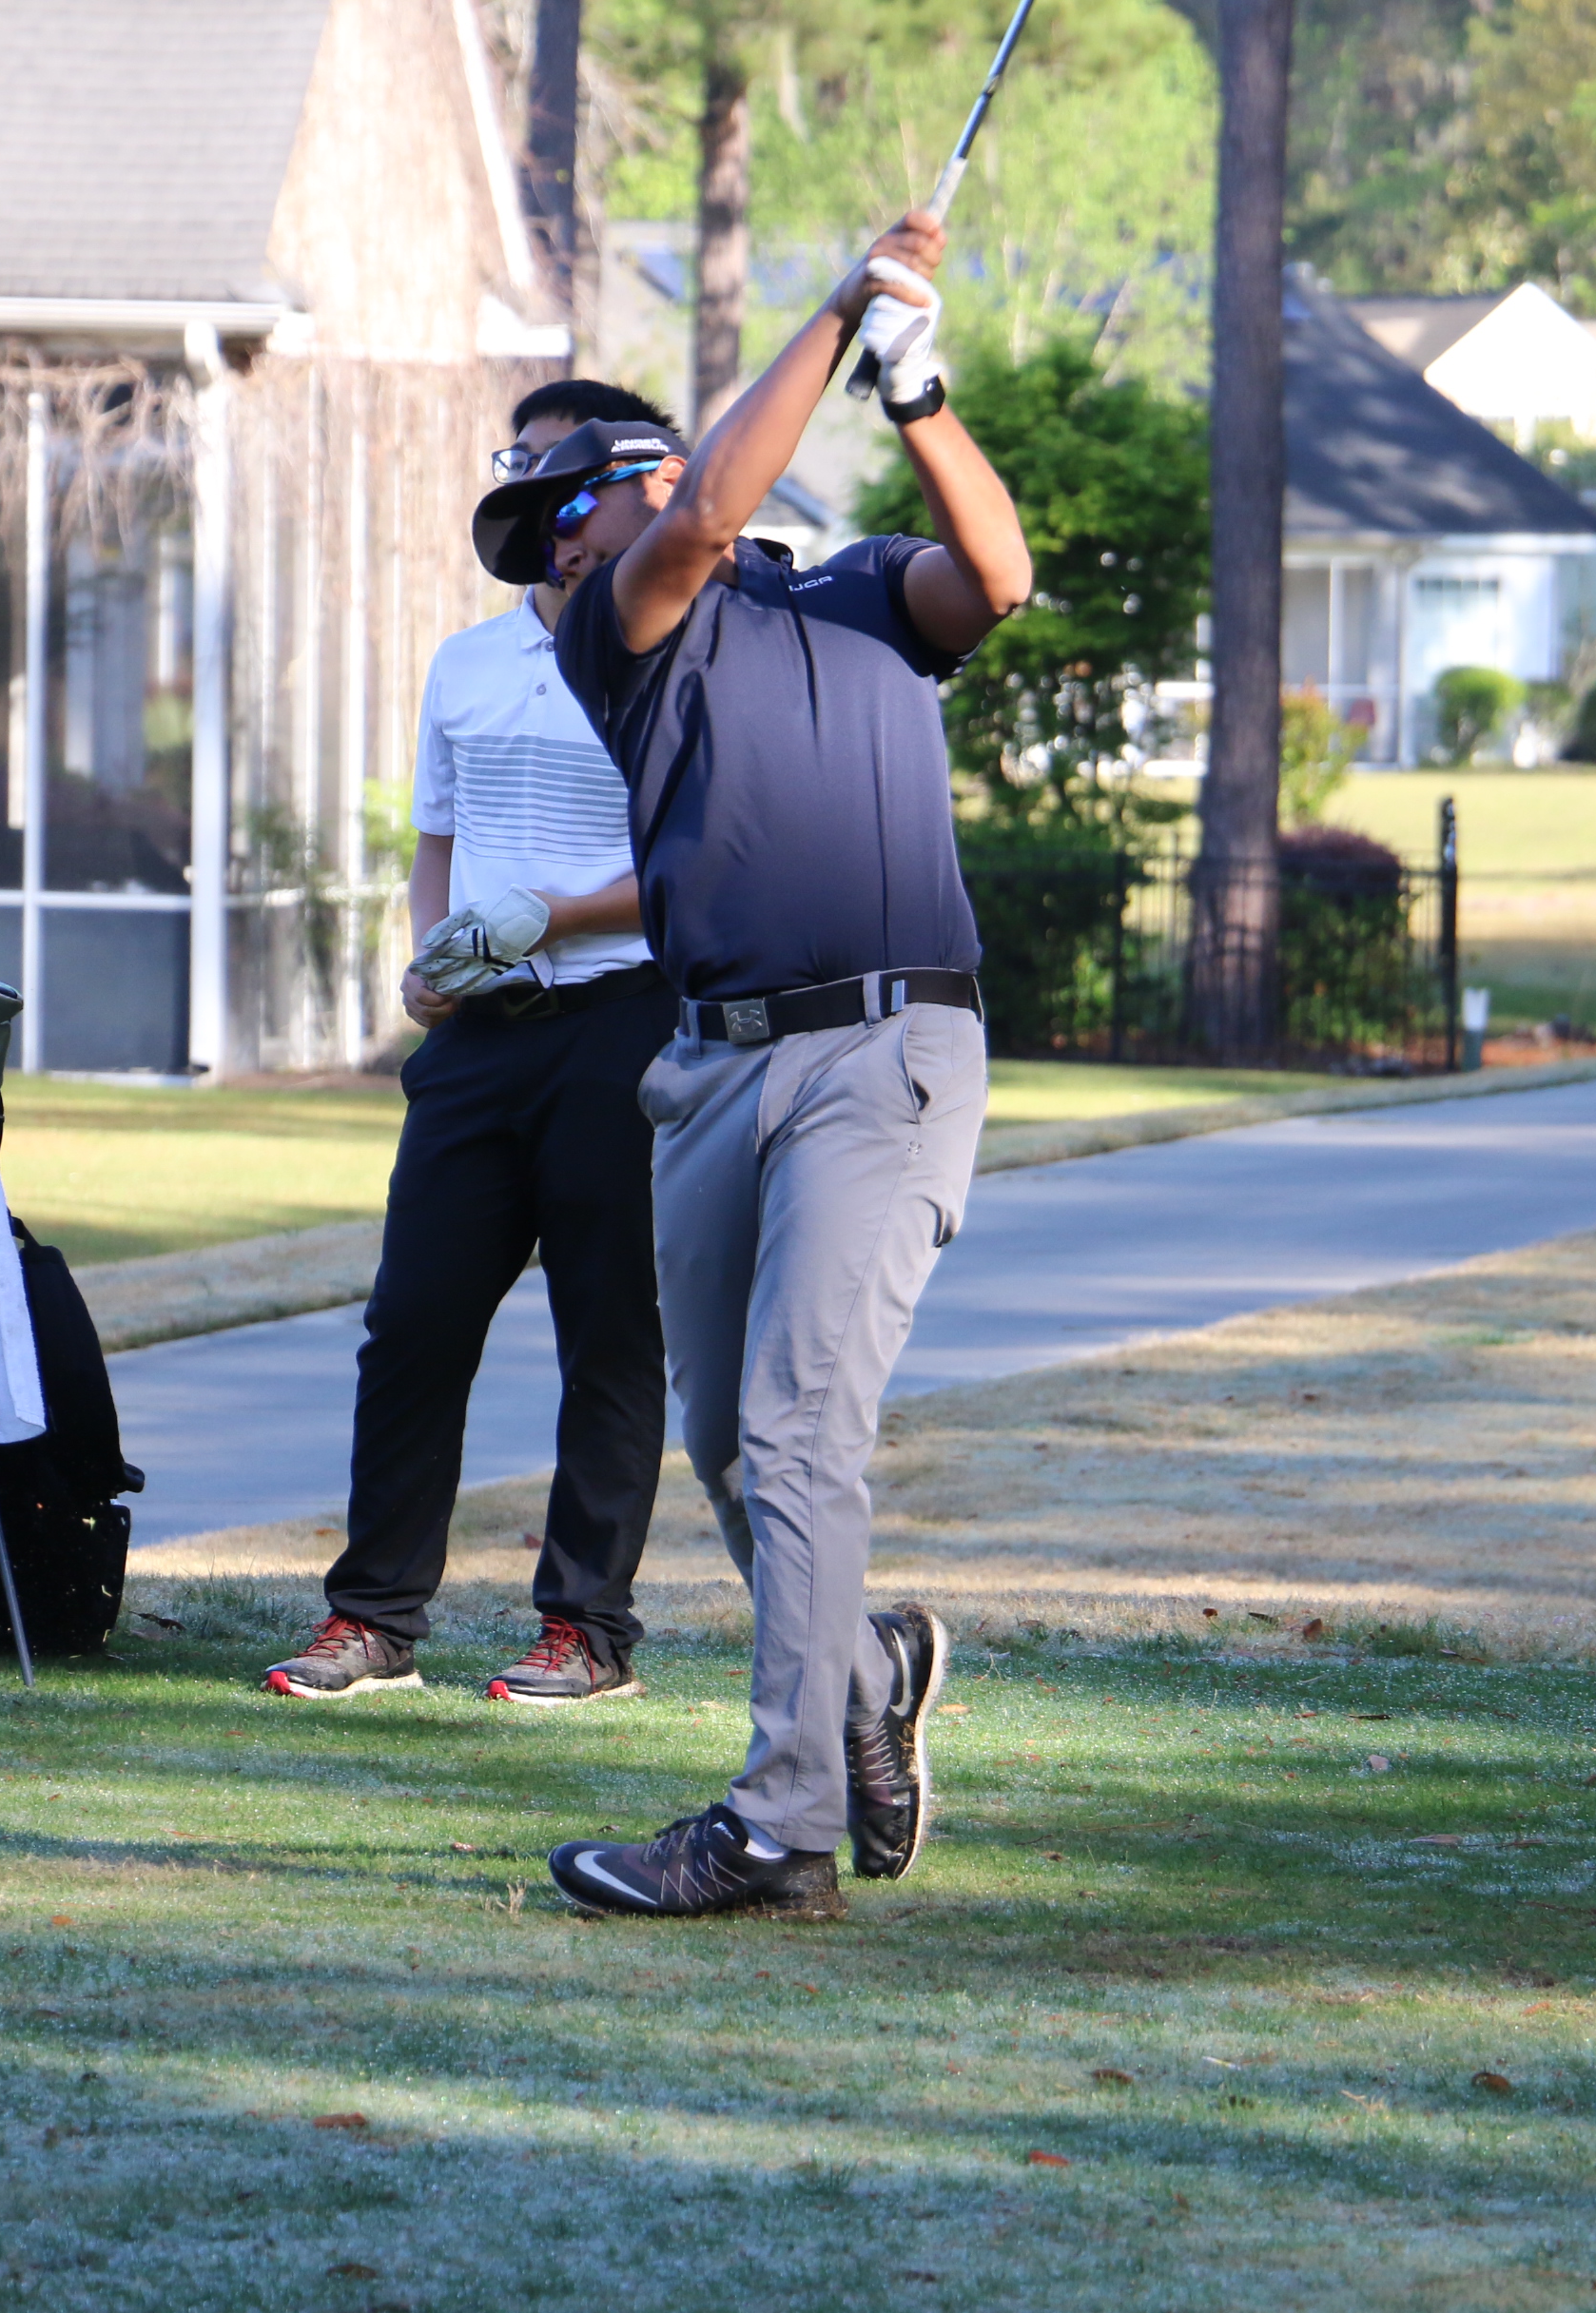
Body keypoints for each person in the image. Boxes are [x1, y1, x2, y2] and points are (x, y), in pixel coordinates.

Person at [477, 213, 1031, 1916]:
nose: (549, 556)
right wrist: (841, 307)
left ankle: (783, 1826)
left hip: (886, 1052)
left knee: (795, 1433)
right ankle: (866, 1669)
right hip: (713, 1076)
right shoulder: (618, 634)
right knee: (728, 1440)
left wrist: (917, 391)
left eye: (558, 514)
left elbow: (997, 575)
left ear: (632, 476)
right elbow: (712, 512)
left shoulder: (864, 592)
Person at [261, 379, 682, 1707]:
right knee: (413, 1327)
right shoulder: (467, 661)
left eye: (566, 473)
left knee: (608, 1339)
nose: (542, 500)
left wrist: (556, 915)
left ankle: (586, 1632)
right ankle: (373, 1619)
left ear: (631, 490)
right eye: (523, 468)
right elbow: (437, 841)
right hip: (478, 1041)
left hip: (622, 1023)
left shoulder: (675, 658)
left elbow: (692, 866)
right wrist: (431, 954)